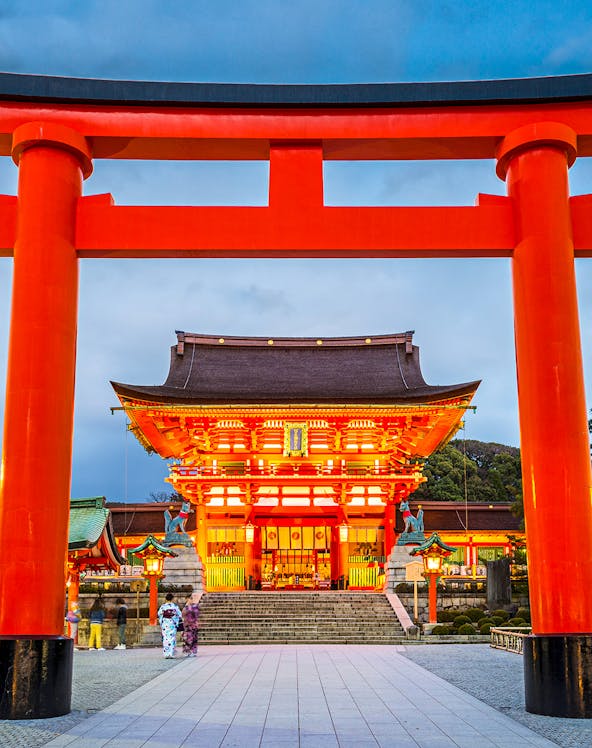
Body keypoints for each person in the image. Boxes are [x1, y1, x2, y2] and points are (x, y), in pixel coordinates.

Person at [157, 592, 181, 659]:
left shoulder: (163, 607)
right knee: (172, 638)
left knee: (165, 638)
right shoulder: (175, 607)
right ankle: (171, 653)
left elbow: (159, 614)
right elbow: (179, 614)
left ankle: (166, 654)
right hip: (172, 624)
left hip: (165, 624)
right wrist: (175, 619)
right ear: (172, 599)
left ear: (166, 599)